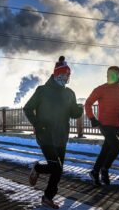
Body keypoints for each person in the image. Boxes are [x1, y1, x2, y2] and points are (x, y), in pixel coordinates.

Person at [24, 56, 83, 209]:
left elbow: (73, 113)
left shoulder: (70, 93)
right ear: (56, 74)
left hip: (62, 136)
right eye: (63, 75)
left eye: (68, 76)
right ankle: (46, 192)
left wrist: (79, 110)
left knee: (58, 169)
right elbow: (28, 108)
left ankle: (44, 187)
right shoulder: (42, 90)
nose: (66, 78)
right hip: (45, 135)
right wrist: (37, 123)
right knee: (56, 167)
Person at [85, 66, 119, 186]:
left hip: (117, 124)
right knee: (117, 147)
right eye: (109, 75)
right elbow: (88, 103)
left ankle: (95, 171)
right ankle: (104, 169)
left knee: (106, 149)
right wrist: (92, 118)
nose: (111, 77)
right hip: (104, 124)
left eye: (115, 75)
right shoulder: (101, 89)